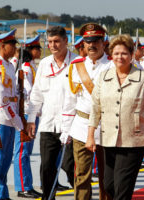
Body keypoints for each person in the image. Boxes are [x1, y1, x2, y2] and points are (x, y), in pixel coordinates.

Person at [86, 34, 144, 199]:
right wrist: (90, 135)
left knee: (123, 186)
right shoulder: (104, 77)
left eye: (124, 53)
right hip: (109, 138)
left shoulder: (143, 78)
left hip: (135, 139)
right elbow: (95, 108)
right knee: (109, 185)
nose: (120, 57)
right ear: (111, 55)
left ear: (132, 55)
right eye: (117, 53)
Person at [26, 26, 77, 200]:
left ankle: (81, 195)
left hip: (71, 126)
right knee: (47, 167)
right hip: (48, 125)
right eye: (49, 42)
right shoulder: (45, 64)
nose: (52, 45)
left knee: (71, 166)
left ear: (66, 42)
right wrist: (31, 119)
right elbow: (37, 93)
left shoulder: (77, 63)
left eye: (56, 41)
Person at [61, 23, 110, 200]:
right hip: (81, 127)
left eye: (95, 40)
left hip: (107, 127)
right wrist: (66, 129)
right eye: (87, 41)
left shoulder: (113, 65)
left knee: (108, 177)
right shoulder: (76, 66)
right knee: (81, 175)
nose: (91, 45)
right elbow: (69, 100)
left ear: (103, 42)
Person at [0, 29, 23, 200]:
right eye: (12, 45)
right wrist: (14, 116)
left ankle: (2, 193)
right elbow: (1, 97)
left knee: (6, 159)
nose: (15, 48)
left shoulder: (9, 65)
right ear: (2, 46)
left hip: (10, 118)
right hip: (2, 118)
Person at [13, 35, 42, 198]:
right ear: (30, 50)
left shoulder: (31, 66)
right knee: (22, 150)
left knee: (27, 151)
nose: (40, 51)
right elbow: (30, 92)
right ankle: (23, 186)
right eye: (37, 48)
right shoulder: (25, 68)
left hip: (32, 112)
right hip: (26, 112)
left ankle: (27, 184)